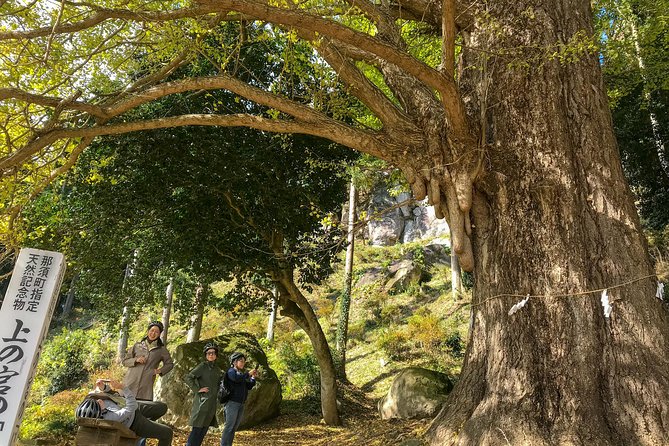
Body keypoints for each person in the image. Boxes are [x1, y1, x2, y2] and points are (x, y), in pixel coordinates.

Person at [75, 378, 173, 446]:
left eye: (96, 400)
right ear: (100, 414)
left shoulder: (90, 402)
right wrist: (122, 387)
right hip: (134, 419)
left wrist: (104, 388)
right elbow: (132, 406)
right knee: (167, 433)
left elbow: (110, 396)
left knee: (162, 407)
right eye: (98, 404)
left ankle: (148, 428)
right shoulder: (112, 418)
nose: (99, 400)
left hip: (125, 403)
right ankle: (146, 429)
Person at [122, 321, 173, 420]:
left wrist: (158, 371)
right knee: (124, 408)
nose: (153, 333)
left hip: (146, 385)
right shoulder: (137, 345)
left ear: (159, 334)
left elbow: (170, 364)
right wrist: (136, 360)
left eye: (156, 332)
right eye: (152, 330)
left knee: (140, 412)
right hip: (130, 382)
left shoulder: (161, 350)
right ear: (148, 331)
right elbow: (125, 361)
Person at [185, 342, 223, 446]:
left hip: (212, 405)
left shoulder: (217, 369)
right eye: (209, 353)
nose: (211, 355)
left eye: (213, 353)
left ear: (216, 355)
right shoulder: (202, 366)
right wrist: (197, 389)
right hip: (202, 403)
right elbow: (189, 377)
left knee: (203, 431)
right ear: (205, 355)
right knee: (196, 430)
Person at [220, 352, 258, 446]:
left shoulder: (241, 374)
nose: (243, 363)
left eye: (244, 361)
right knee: (229, 426)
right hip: (232, 403)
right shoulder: (231, 371)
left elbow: (248, 386)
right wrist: (248, 374)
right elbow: (236, 378)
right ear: (234, 362)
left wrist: (253, 378)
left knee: (233, 427)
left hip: (241, 404)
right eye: (240, 361)